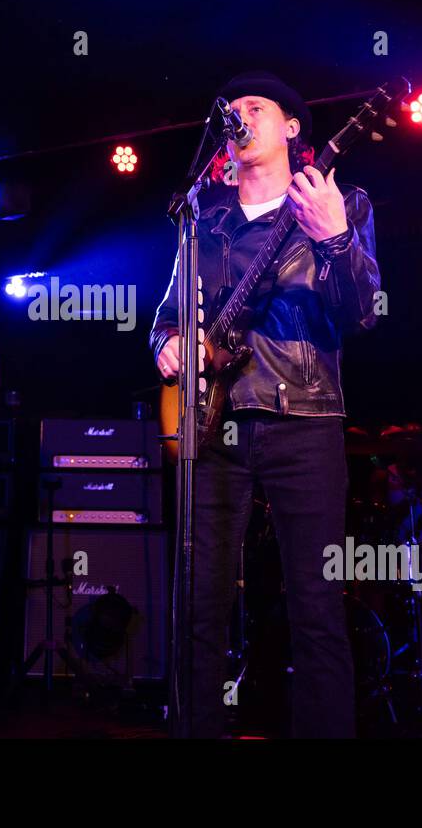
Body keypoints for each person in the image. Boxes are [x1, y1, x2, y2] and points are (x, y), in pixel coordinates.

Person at [151, 71, 381, 737]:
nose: (242, 114)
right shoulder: (205, 219)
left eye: (258, 106)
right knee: (198, 602)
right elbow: (167, 319)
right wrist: (168, 346)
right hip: (213, 425)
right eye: (234, 107)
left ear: (291, 129)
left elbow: (361, 315)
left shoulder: (341, 201)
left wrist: (335, 239)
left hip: (304, 417)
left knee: (316, 602)